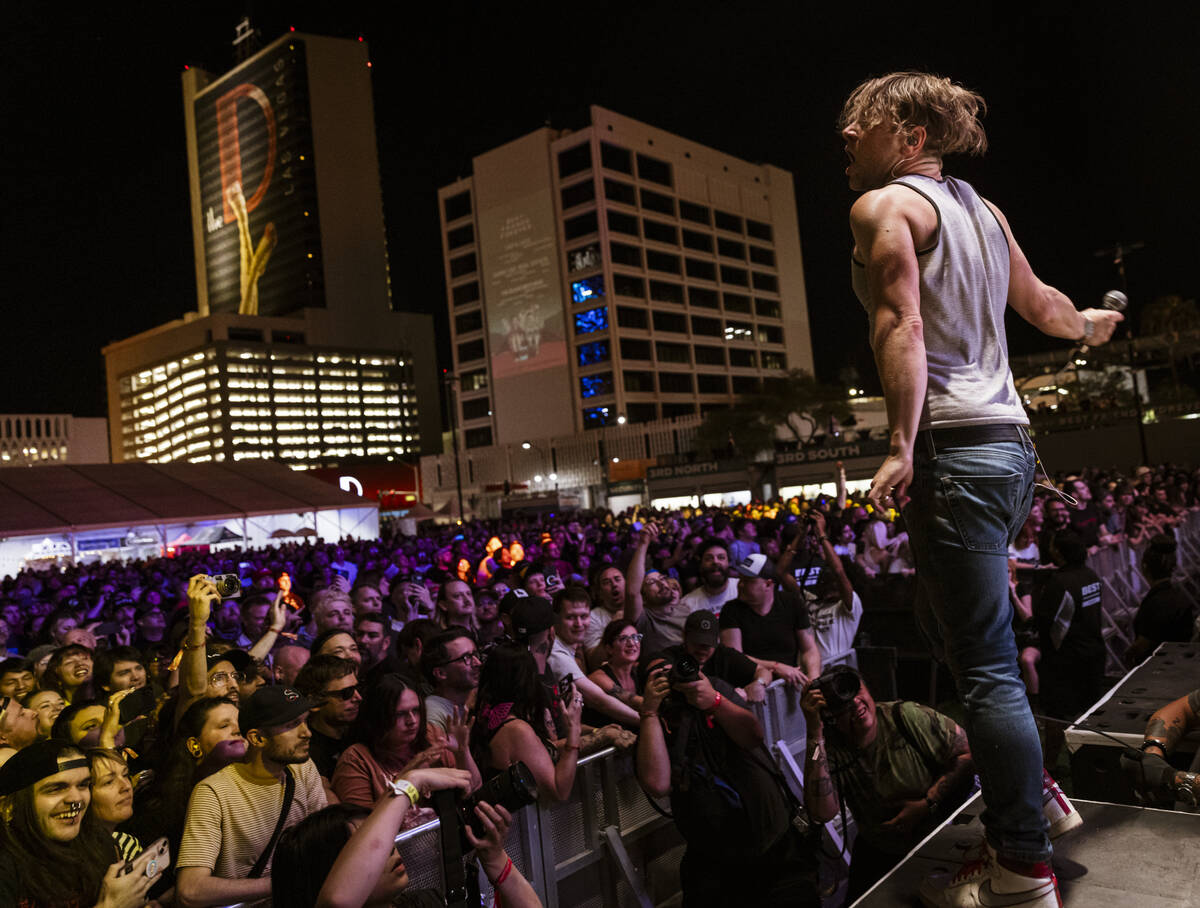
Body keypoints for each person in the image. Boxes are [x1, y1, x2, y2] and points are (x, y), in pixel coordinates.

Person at [838, 71, 1122, 906]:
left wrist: (900, 441)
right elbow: (1042, 306)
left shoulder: (885, 208)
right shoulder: (984, 212)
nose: (845, 140)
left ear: (909, 137)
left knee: (986, 667)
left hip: (956, 449)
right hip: (1011, 452)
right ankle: (1032, 788)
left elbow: (901, 321)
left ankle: (1018, 865)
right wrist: (1092, 324)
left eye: (861, 125)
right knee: (949, 624)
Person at [635, 653, 819, 906]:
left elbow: (753, 736)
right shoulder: (653, 722)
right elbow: (657, 784)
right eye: (657, 676)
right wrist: (649, 712)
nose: (669, 678)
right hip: (714, 858)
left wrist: (713, 701)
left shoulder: (714, 689)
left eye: (672, 670)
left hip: (772, 841)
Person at [801, 668, 976, 900]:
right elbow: (822, 812)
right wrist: (814, 734)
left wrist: (928, 802)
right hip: (881, 850)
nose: (854, 702)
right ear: (829, 714)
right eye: (841, 701)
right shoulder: (829, 748)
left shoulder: (905, 716)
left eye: (856, 690)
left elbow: (967, 755)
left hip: (939, 835)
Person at [176, 685, 328, 907]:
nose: (307, 732)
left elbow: (323, 839)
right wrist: (282, 884)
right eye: (292, 724)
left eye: (304, 721)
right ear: (257, 738)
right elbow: (190, 890)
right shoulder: (213, 793)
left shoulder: (301, 768)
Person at [0, 739, 163, 907]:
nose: (76, 799)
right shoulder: (6, 865)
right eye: (56, 788)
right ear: (8, 807)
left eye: (83, 785)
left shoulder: (98, 843)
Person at [332, 674, 479, 810]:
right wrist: (408, 774)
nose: (412, 721)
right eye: (400, 714)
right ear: (377, 718)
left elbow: (474, 789)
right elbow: (362, 829)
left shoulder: (431, 736)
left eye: (415, 711)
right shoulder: (356, 759)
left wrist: (462, 752)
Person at [471, 642, 583, 802]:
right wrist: (574, 730)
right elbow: (558, 791)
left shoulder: (488, 715)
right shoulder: (517, 730)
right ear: (527, 681)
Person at [1033, 530, 1105, 770]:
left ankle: (1050, 766)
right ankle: (1091, 764)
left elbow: (1048, 624)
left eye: (1053, 545)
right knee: (1089, 712)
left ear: (1060, 552)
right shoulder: (1091, 575)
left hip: (1065, 661)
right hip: (1093, 654)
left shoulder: (1059, 583)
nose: (1050, 549)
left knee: (1055, 715)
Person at [719, 553, 821, 686]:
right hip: (751, 686)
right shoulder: (731, 610)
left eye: (748, 581)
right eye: (740, 579)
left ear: (768, 584)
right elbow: (735, 657)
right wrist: (776, 667)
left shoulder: (791, 603)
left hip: (789, 684)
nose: (740, 585)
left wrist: (813, 678)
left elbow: (809, 649)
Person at [548, 586, 640, 728]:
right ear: (556, 619)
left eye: (584, 616)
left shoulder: (568, 648)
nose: (579, 624)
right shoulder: (556, 653)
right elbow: (598, 700)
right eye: (570, 617)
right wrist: (646, 721)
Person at [1125, 534, 1194, 666]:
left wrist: (1129, 654)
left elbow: (1143, 644)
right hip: (1182, 664)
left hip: (1158, 669)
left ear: (1144, 567)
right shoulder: (1180, 596)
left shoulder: (1154, 603)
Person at [294, 655, 362, 780]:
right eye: (347, 693)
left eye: (357, 688)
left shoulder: (362, 734)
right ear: (314, 702)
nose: (358, 698)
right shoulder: (305, 753)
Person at [420, 628, 481, 736]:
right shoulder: (433, 713)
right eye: (466, 658)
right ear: (440, 673)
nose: (478, 663)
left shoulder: (467, 704)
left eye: (475, 654)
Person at [587, 619, 645, 712]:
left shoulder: (638, 671)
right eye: (623, 639)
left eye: (635, 637)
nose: (631, 643)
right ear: (609, 649)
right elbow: (631, 700)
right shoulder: (598, 678)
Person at [679, 538, 740, 617]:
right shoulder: (687, 604)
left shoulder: (742, 588)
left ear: (728, 563)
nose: (715, 562)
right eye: (708, 559)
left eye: (721, 557)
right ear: (700, 565)